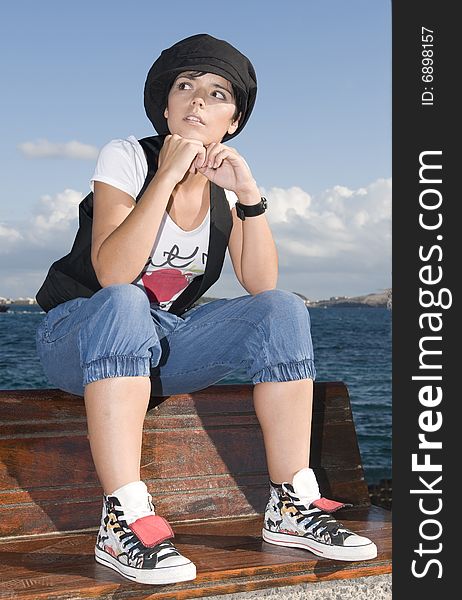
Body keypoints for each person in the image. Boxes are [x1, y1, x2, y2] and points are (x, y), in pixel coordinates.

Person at [35, 33, 377, 586]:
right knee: (124, 298)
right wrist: (169, 172)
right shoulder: (126, 156)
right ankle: (123, 518)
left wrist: (247, 194)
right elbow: (113, 274)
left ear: (234, 120)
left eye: (217, 93)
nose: (197, 100)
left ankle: (292, 504)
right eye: (184, 86)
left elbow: (262, 286)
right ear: (165, 105)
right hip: (76, 333)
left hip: (159, 342)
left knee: (284, 309)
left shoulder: (224, 190)